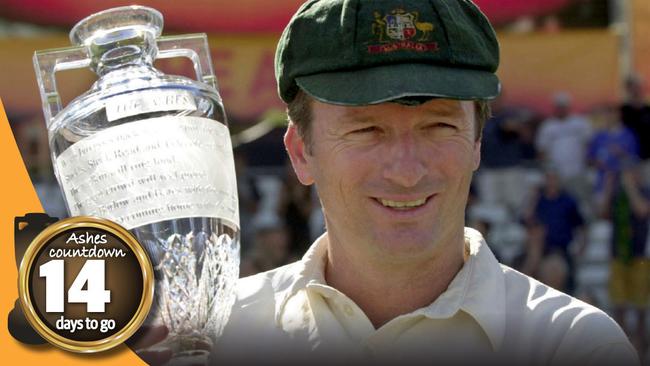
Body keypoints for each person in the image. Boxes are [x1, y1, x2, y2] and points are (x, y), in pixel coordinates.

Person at [132, 1, 638, 364]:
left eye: (439, 125)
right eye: (366, 129)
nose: (406, 168)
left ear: (478, 142)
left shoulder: (569, 345)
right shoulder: (217, 339)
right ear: (301, 152)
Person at [598, 162, 650, 359]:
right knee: (618, 306)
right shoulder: (617, 195)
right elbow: (602, 213)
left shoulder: (644, 191)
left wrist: (629, 187)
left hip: (639, 256)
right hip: (618, 255)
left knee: (640, 310)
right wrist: (609, 187)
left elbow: (641, 210)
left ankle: (643, 355)